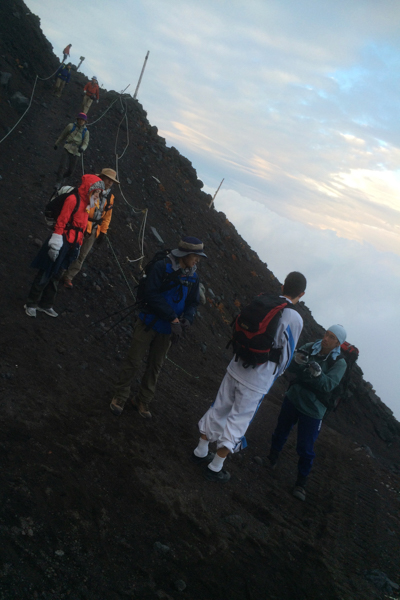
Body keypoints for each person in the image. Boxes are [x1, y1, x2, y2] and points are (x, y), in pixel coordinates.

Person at [191, 271, 307, 483]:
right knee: (238, 420)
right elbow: (287, 355)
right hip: (258, 378)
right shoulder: (294, 317)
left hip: (236, 364)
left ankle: (200, 450)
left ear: (283, 287)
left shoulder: (263, 300)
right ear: (301, 294)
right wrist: (275, 374)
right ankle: (216, 466)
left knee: (219, 408)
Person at [110, 237, 206, 418]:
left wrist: (188, 318)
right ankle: (120, 396)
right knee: (134, 360)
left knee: (156, 365)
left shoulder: (193, 275)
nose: (198, 260)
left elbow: (193, 302)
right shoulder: (161, 266)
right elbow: (151, 294)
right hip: (149, 322)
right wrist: (173, 318)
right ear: (185, 254)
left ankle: (143, 400)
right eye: (195, 255)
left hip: (168, 329)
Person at [268, 324, 347, 502]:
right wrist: (296, 361)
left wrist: (317, 375)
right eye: (326, 334)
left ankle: (301, 483)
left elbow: (328, 386)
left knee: (305, 447)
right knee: (281, 430)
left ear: (338, 343)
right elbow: (292, 367)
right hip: (293, 398)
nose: (326, 338)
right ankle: (271, 458)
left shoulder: (339, 363)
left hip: (313, 409)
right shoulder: (310, 347)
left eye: (332, 337)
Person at [24, 175, 105, 318]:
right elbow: (62, 221)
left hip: (71, 243)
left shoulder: (87, 204)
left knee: (57, 274)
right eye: (97, 191)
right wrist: (55, 242)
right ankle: (31, 303)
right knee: (46, 271)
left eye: (99, 192)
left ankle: (46, 304)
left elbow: (82, 226)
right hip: (61, 240)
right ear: (89, 189)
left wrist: (78, 245)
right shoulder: (73, 199)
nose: (98, 195)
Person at [62, 168, 119, 288]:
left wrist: (103, 232)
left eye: (112, 181)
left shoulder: (110, 197)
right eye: (108, 179)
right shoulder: (92, 189)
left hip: (94, 229)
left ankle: (68, 276)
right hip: (81, 223)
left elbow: (107, 216)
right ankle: (59, 271)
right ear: (102, 178)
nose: (109, 183)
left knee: (82, 255)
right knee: (70, 248)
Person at [54, 113, 89, 187]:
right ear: (77, 119)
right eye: (80, 119)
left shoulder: (86, 132)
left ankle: (64, 177)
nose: (81, 121)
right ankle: (58, 181)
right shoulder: (71, 126)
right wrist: (57, 144)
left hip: (76, 151)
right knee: (62, 165)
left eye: (83, 120)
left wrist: (82, 148)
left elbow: (86, 143)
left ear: (85, 122)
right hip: (67, 147)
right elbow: (63, 135)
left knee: (71, 170)